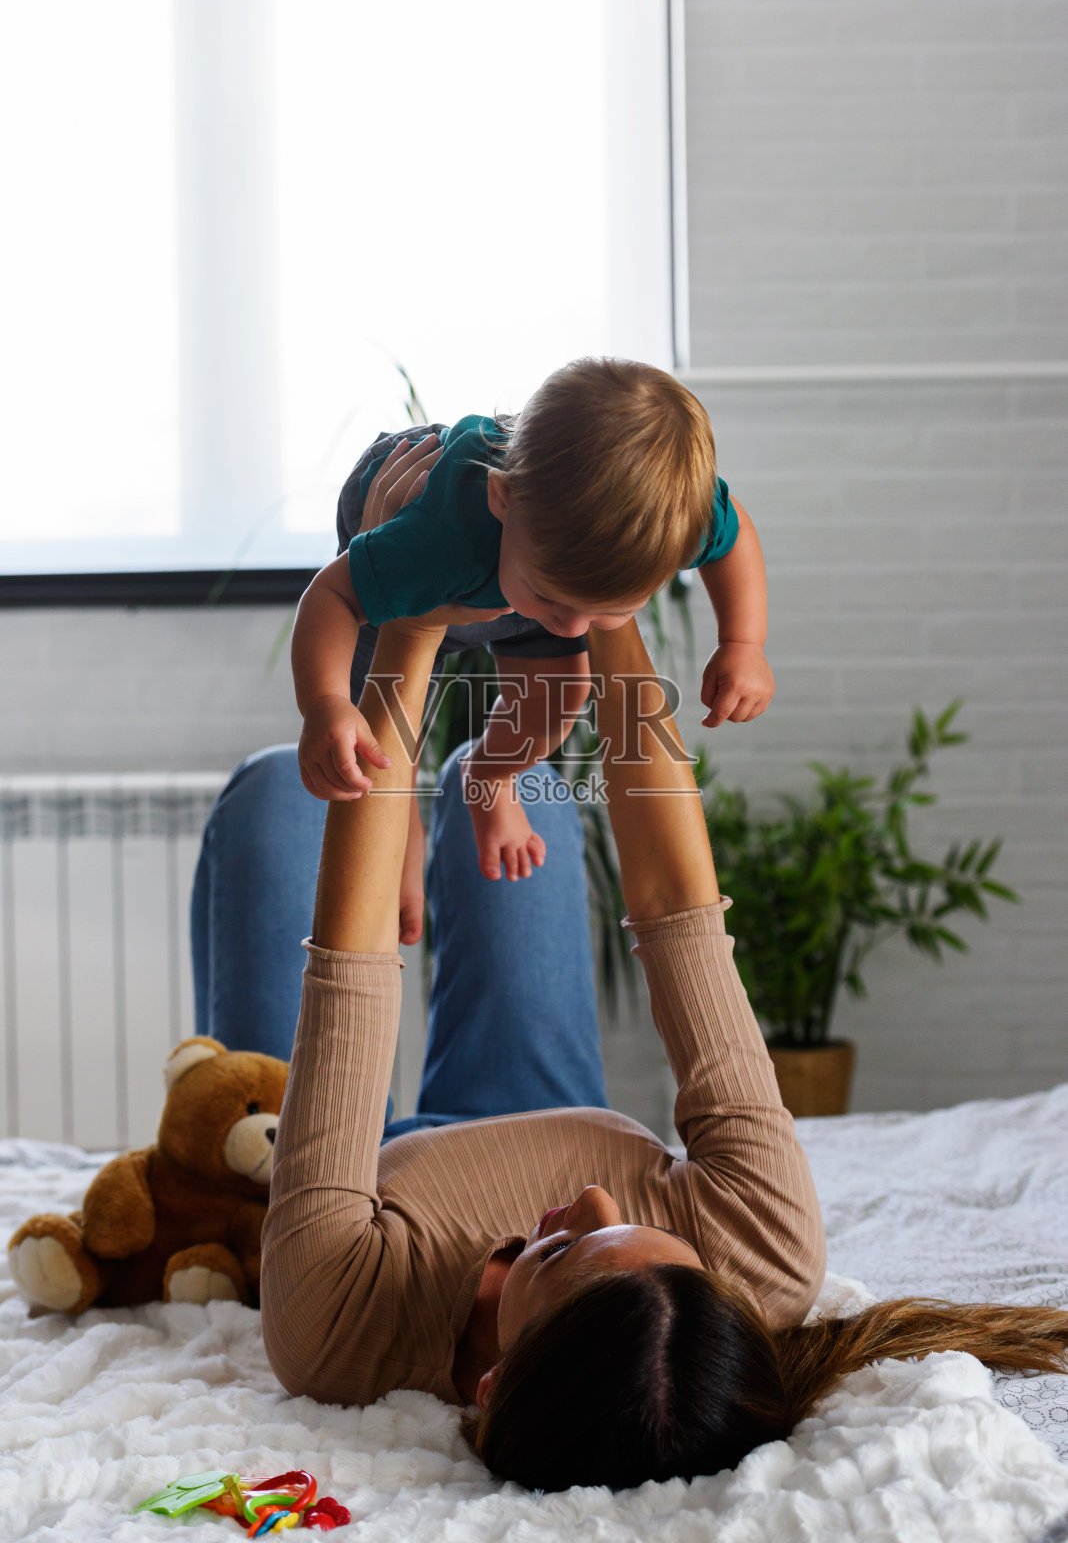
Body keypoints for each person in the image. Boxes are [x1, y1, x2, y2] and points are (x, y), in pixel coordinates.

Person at [195, 612, 1067, 1492]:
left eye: (561, 1251)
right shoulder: (759, 1257)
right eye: (639, 1229)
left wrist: (415, 628)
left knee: (281, 791)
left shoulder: (338, 1334)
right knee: (518, 791)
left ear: (493, 1385)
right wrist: (608, 609)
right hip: (536, 1098)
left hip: (339, 1193)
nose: (591, 1196)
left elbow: (351, 975)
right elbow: (679, 914)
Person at [288, 357, 775, 946]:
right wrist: (322, 705)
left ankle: (488, 773)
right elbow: (330, 596)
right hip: (418, 531)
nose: (572, 624)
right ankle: (407, 834)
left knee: (560, 696)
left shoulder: (665, 523)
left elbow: (735, 534)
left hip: (513, 575)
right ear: (502, 498)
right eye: (554, 599)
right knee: (380, 738)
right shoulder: (435, 538)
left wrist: (742, 643)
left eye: (607, 610)